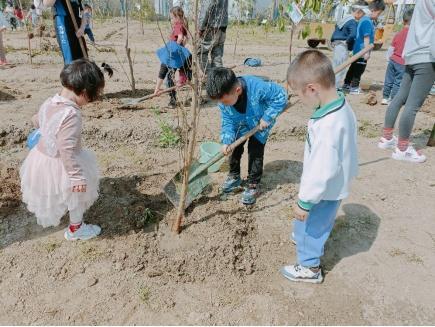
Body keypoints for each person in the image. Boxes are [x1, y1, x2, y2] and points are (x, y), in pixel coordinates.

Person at [281, 50, 358, 283]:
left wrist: (305, 202)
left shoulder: (327, 126)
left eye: (300, 95)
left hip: (324, 188)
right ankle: (302, 236)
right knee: (317, 220)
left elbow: (322, 169)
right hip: (336, 181)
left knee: (312, 221)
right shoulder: (341, 104)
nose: (300, 101)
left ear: (312, 89)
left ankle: (309, 267)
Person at [20, 59, 104, 241]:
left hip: (42, 158)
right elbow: (67, 149)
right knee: (77, 193)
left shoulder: (51, 101)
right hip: (62, 162)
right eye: (92, 96)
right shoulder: (72, 115)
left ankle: (67, 215)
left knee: (55, 188)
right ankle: (76, 228)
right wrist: (76, 175)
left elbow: (37, 119)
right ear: (83, 93)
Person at [206, 67, 288, 205]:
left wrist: (268, 117)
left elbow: (281, 95)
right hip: (239, 123)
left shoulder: (258, 87)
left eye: (224, 102)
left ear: (237, 90)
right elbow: (227, 121)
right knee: (234, 149)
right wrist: (226, 141)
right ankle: (234, 176)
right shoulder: (224, 100)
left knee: (255, 151)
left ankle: (253, 185)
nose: (222, 105)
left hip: (260, 122)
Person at [378, 0, 435, 163]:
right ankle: (403, 148)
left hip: (412, 55)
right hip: (427, 57)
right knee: (413, 105)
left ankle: (387, 138)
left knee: (400, 98)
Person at [343, 0, 385, 94]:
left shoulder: (363, 19)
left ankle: (347, 84)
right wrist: (366, 52)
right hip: (362, 51)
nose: (378, 16)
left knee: (353, 68)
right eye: (378, 13)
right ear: (373, 10)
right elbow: (366, 38)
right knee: (359, 69)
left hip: (357, 50)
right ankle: (354, 87)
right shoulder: (367, 21)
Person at [154, 6, 191, 108]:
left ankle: (172, 99)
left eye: (172, 18)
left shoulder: (179, 25)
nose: (171, 20)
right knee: (164, 69)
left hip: (173, 53)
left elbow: (180, 37)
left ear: (177, 17)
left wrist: (175, 47)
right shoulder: (181, 25)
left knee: (168, 74)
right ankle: (157, 90)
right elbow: (185, 39)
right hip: (171, 51)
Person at [381, 9, 413, 105]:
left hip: (392, 60)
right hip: (402, 62)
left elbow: (391, 48)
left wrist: (388, 58)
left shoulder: (398, 34)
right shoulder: (412, 35)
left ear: (403, 21)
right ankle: (393, 99)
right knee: (398, 82)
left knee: (389, 80)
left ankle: (385, 97)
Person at [43, 0, 87, 65]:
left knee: (82, 58)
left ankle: (84, 74)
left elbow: (83, 13)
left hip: (77, 28)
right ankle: (70, 74)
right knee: (70, 59)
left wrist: (82, 28)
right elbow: (47, 3)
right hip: (63, 23)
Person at [330, 2, 361, 89]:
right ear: (358, 12)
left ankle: (331, 86)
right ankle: (336, 88)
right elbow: (353, 34)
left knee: (336, 65)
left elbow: (336, 27)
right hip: (342, 46)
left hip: (337, 45)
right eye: (362, 13)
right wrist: (347, 42)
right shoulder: (352, 21)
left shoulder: (345, 18)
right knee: (341, 67)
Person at [198, 0, 228, 75]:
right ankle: (218, 79)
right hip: (222, 27)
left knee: (202, 53)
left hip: (211, 27)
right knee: (217, 56)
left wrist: (200, 28)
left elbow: (206, 8)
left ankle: (210, 77)